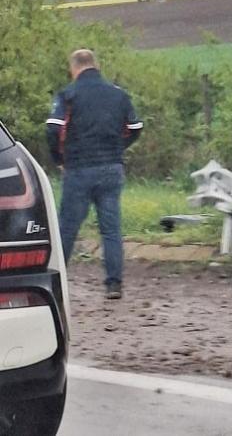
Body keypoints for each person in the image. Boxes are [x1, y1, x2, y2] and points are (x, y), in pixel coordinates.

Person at [46, 49, 143, 299]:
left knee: (68, 228)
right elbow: (135, 126)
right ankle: (114, 284)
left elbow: (53, 129)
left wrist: (60, 159)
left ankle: (56, 283)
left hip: (79, 169)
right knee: (110, 228)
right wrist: (118, 147)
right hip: (111, 168)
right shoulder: (118, 94)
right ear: (96, 65)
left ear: (74, 68)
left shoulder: (68, 95)